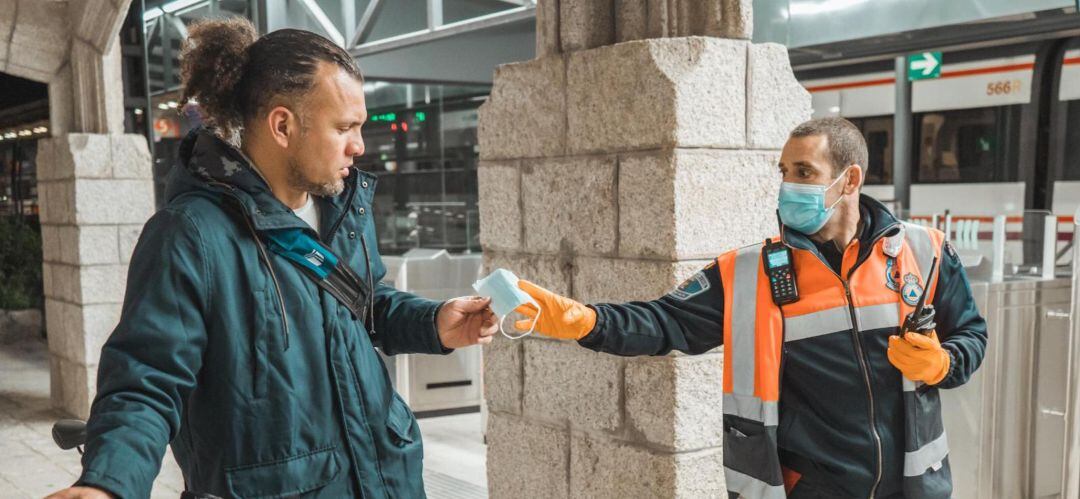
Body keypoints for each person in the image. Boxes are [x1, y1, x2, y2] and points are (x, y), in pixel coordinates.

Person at [47, 18, 496, 499]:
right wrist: (107, 483)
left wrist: (433, 323)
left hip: (385, 479)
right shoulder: (190, 234)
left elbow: (362, 306)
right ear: (282, 125)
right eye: (344, 127)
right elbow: (146, 381)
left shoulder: (343, 206)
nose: (360, 146)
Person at [512, 117, 987, 499]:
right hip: (815, 488)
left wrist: (945, 362)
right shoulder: (747, 274)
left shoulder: (924, 252)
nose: (787, 186)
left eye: (804, 172)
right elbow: (663, 321)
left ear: (850, 180)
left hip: (915, 484)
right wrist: (583, 322)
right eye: (783, 172)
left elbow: (970, 333)